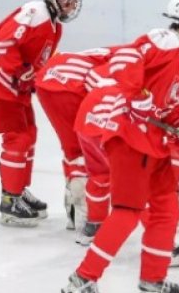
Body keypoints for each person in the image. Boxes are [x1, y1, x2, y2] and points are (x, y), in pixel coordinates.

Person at [63, 0, 179, 293]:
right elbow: (123, 60)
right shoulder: (164, 40)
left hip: (153, 144)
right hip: (131, 140)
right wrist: (139, 97)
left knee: (166, 211)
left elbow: (168, 106)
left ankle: (152, 280)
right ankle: (83, 279)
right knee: (127, 212)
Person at [0, 0, 83, 227]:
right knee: (18, 138)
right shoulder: (36, 12)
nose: (70, 6)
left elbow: (35, 59)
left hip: (14, 87)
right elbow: (1, 43)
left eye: (74, 2)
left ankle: (18, 191)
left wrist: (30, 79)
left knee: (29, 134)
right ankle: (9, 201)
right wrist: (18, 71)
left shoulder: (55, 26)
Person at [35, 46, 116, 242]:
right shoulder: (133, 62)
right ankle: (87, 219)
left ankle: (74, 210)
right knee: (86, 151)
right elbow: (97, 82)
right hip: (70, 85)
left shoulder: (124, 52)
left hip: (46, 78)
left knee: (72, 148)